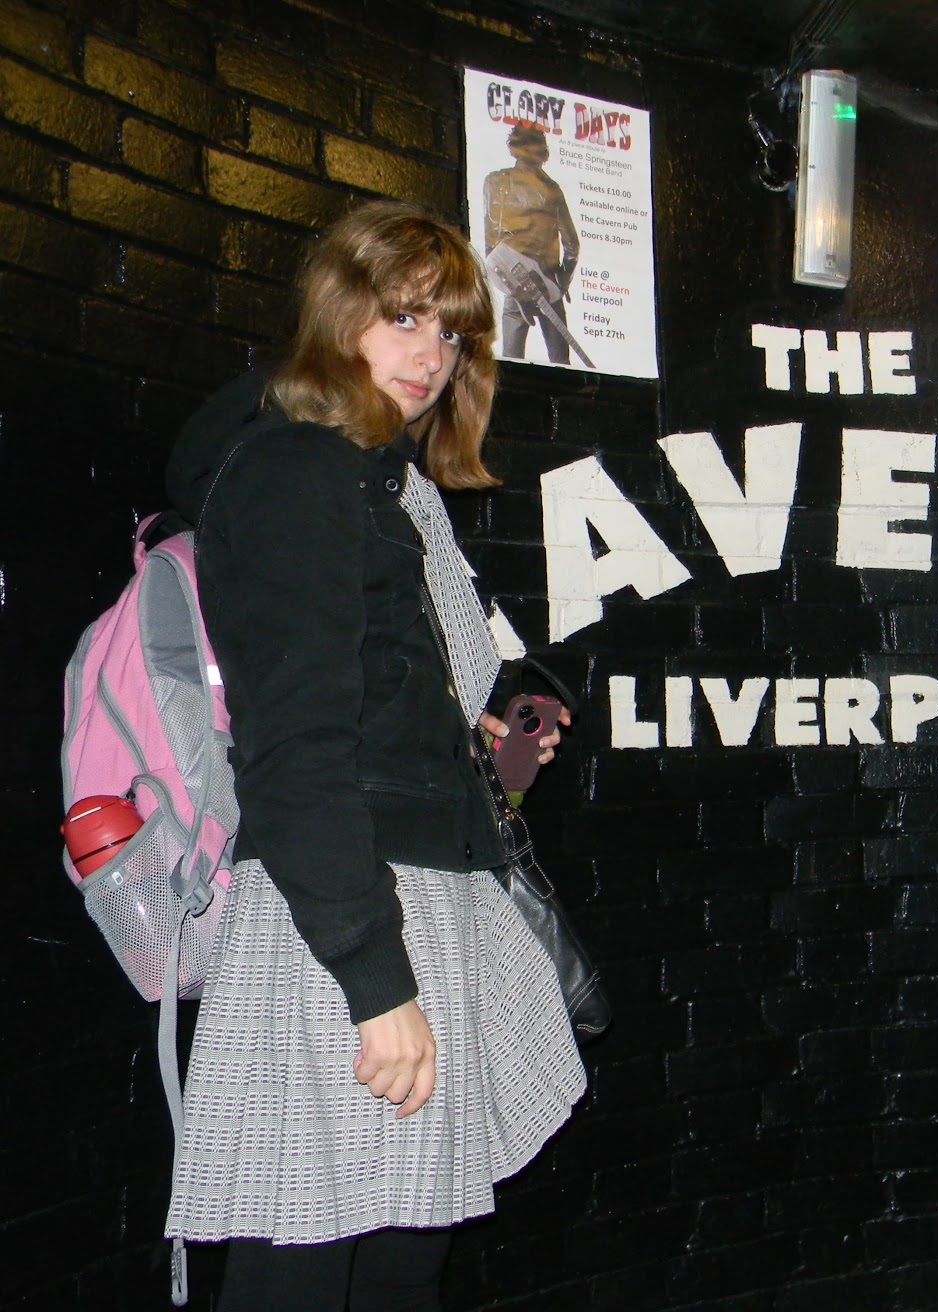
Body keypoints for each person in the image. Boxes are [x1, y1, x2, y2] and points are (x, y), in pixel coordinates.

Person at [161, 201, 586, 1310]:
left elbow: (403, 708)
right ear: (336, 311)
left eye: (450, 334)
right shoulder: (298, 472)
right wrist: (375, 982)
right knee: (305, 1265)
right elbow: (293, 750)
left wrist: (491, 738)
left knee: (398, 1263)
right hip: (343, 920)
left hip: (413, 903)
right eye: (403, 317)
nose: (430, 357)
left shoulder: (388, 486)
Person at [483, 124, 580, 364]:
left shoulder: (495, 181)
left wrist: (509, 284)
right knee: (561, 365)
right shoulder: (552, 190)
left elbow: (491, 246)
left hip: (515, 284)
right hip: (548, 283)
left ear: (513, 148)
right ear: (543, 153)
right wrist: (561, 282)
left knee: (511, 364)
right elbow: (572, 245)